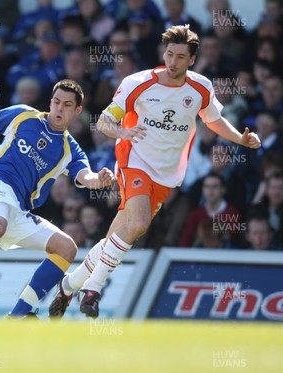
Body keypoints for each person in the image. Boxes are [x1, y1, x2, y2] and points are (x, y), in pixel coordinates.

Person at [49, 25, 261, 320]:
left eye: (180, 57)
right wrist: (125, 130)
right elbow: (105, 122)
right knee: (138, 224)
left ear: (192, 60)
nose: (172, 62)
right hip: (133, 160)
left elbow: (213, 120)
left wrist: (240, 138)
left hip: (166, 173)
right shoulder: (138, 82)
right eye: (169, 54)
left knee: (117, 236)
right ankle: (93, 289)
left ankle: (68, 285)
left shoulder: (200, 87)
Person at [0, 79, 114, 319]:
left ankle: (20, 314)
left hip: (19, 210)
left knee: (66, 248)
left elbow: (85, 176)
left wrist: (98, 179)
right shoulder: (23, 115)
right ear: (50, 102)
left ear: (77, 111)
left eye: (67, 105)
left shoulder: (70, 149)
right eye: (56, 102)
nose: (59, 109)